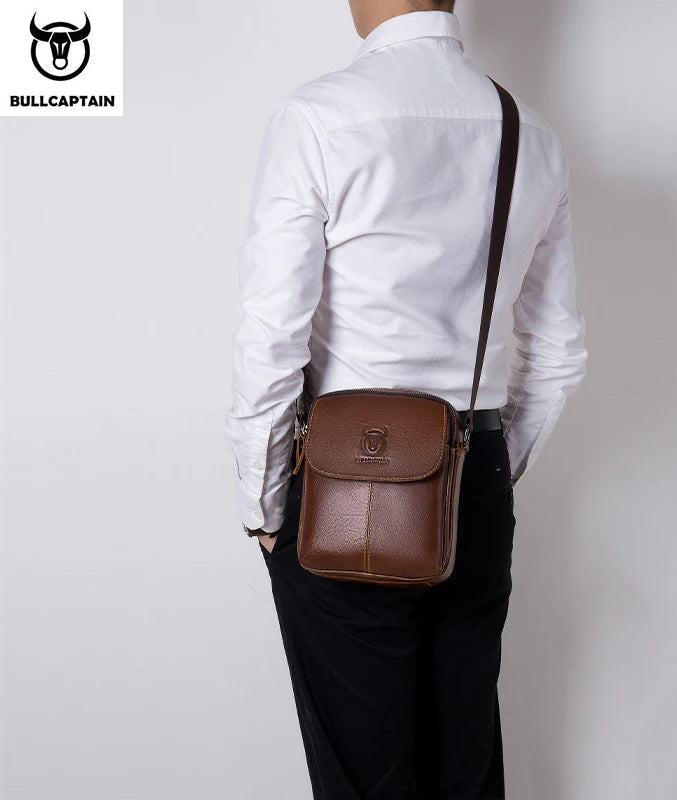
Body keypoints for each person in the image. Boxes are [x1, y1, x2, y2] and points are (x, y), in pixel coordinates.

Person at [224, 1, 588, 797]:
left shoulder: (320, 117)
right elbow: (557, 355)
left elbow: (273, 338)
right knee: (464, 766)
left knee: (365, 777)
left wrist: (263, 501)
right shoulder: (530, 133)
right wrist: (475, 469)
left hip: (342, 483)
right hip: (475, 474)